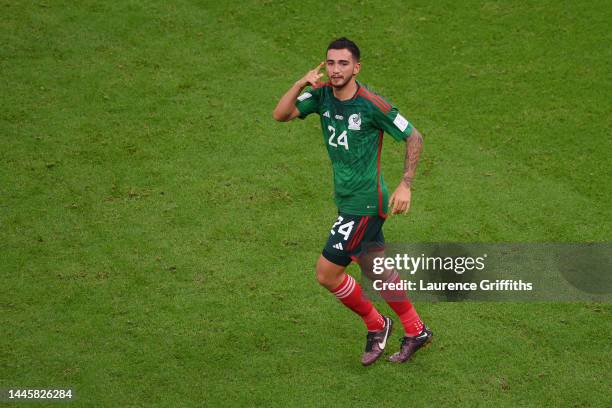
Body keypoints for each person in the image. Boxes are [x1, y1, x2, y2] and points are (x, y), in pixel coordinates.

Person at [272, 37, 432, 365]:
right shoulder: (320, 96)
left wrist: (406, 185)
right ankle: (416, 330)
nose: (335, 70)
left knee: (327, 274)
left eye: (343, 63)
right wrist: (300, 82)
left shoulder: (372, 104)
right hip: (347, 201)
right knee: (378, 270)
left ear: (356, 67)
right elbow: (281, 115)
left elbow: (413, 135)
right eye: (330, 63)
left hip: (366, 204)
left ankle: (376, 325)